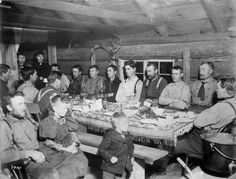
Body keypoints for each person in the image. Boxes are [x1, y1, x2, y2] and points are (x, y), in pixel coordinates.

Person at [0, 92, 58, 179]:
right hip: (25, 163)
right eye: (20, 104)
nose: (24, 107)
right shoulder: (4, 126)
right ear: (9, 107)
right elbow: (2, 156)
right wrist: (29, 153)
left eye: (24, 103)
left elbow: (40, 136)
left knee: (71, 161)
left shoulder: (26, 119)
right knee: (50, 174)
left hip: (41, 153)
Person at [175, 78, 236, 156]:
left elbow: (197, 122)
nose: (216, 90)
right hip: (217, 142)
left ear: (225, 90)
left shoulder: (221, 107)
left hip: (202, 143)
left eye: (218, 88)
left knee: (168, 146)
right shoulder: (233, 104)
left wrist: (206, 112)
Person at [39, 94, 88, 179]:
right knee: (69, 166)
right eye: (64, 108)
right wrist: (67, 149)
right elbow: (48, 143)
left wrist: (73, 144)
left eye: (67, 108)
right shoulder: (47, 122)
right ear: (54, 108)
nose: (66, 111)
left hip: (66, 145)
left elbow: (72, 132)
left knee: (81, 159)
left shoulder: (63, 118)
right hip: (52, 151)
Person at [98, 112, 134, 179]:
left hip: (122, 166)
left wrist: (130, 157)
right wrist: (110, 157)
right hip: (109, 167)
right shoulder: (110, 135)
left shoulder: (128, 135)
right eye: (124, 124)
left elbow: (131, 147)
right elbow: (101, 149)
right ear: (117, 125)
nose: (127, 125)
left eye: (127, 123)